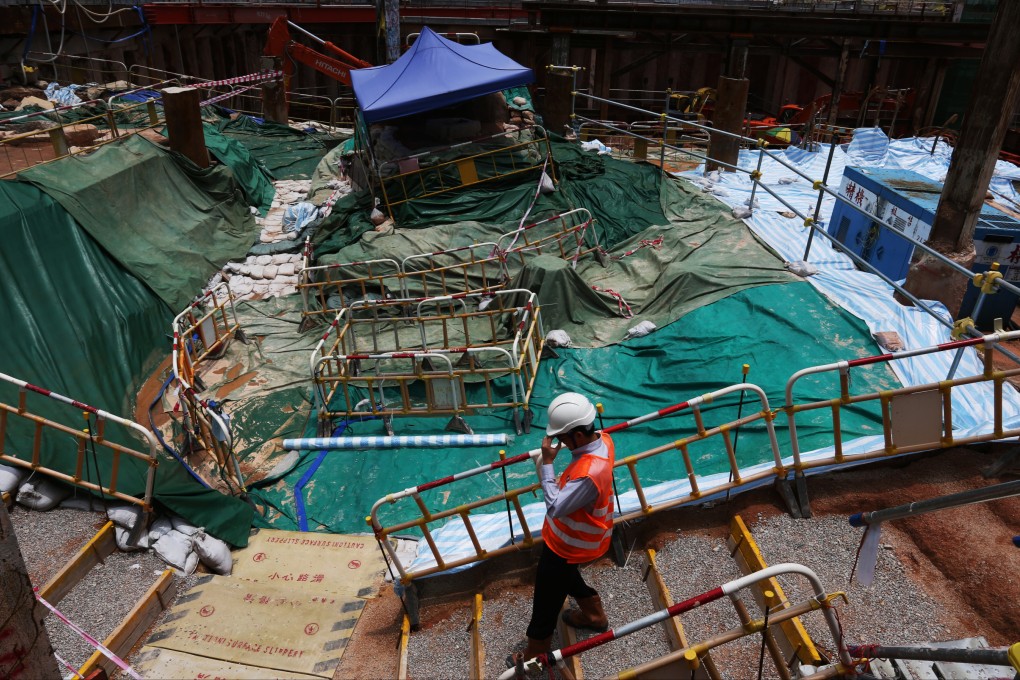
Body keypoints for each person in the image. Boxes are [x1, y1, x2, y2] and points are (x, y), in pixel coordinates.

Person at [509, 392, 616, 668]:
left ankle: (535, 660)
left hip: (570, 545)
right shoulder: (604, 440)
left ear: (578, 436)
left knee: (545, 602)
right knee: (564, 577)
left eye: (563, 438)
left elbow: (555, 507)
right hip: (577, 541)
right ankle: (594, 616)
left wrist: (547, 463)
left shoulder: (588, 475)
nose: (561, 443)